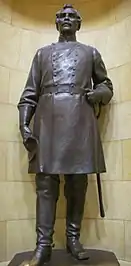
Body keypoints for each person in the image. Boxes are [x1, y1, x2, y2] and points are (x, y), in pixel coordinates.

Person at [17, 3, 113, 266]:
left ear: (79, 23)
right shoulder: (41, 55)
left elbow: (106, 84)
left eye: (72, 16)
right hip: (47, 124)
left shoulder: (90, 53)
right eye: (63, 16)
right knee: (45, 185)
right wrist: (24, 124)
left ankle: (73, 239)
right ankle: (42, 246)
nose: (67, 19)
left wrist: (98, 94)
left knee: (77, 183)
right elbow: (28, 95)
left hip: (80, 123)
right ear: (56, 22)